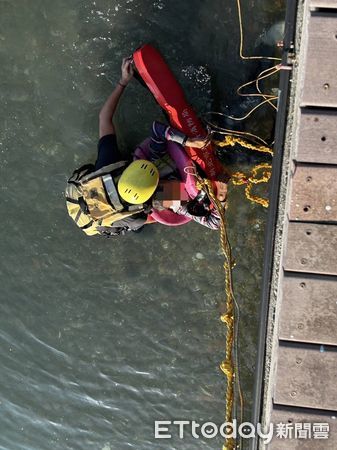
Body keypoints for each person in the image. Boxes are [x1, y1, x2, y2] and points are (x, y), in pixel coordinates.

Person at [66, 58, 228, 237]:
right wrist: (221, 196)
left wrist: (123, 81)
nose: (167, 184)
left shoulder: (110, 161)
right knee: (141, 224)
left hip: (105, 184)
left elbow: (104, 118)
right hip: (119, 215)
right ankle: (142, 225)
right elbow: (214, 222)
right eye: (164, 186)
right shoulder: (157, 202)